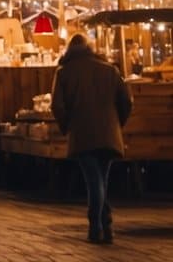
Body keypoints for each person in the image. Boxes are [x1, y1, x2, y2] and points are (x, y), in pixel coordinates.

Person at [50, 33, 133, 244]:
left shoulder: (64, 72)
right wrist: (117, 124)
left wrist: (67, 125)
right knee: (101, 178)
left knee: (94, 180)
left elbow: (57, 105)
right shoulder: (110, 70)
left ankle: (95, 225)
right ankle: (106, 223)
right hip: (109, 132)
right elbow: (126, 101)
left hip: (82, 132)